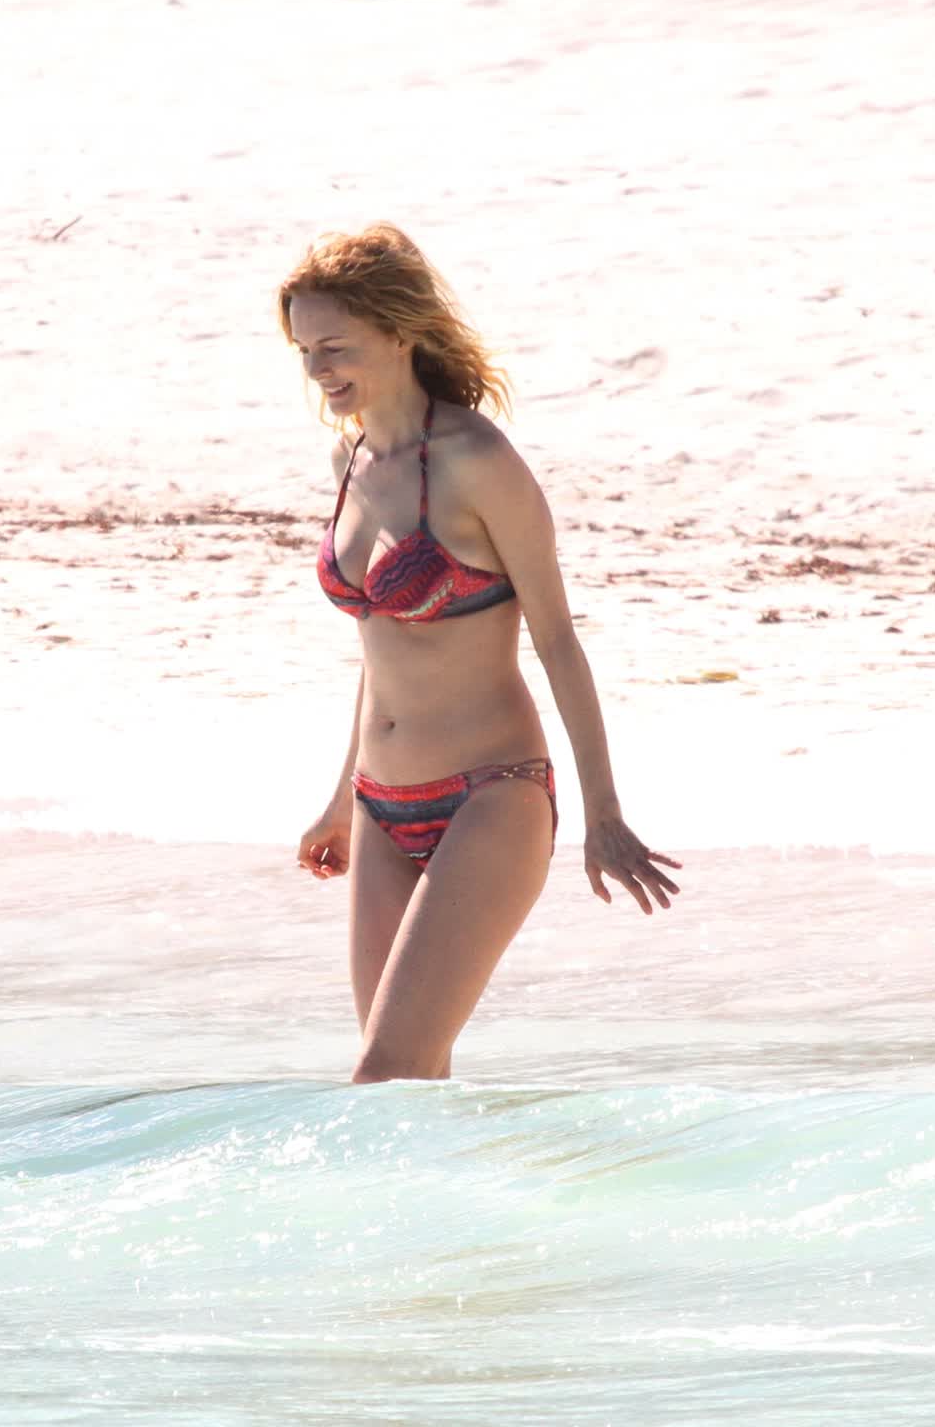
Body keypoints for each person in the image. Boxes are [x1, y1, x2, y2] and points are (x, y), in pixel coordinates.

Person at [280, 224, 680, 1086]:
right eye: (305, 350)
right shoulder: (351, 456)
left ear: (400, 331)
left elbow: (559, 640)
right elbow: (378, 649)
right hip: (380, 806)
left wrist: (604, 814)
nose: (317, 369)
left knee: (385, 1071)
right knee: (402, 1093)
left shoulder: (477, 461)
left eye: (335, 346)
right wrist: (341, 800)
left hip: (490, 797)